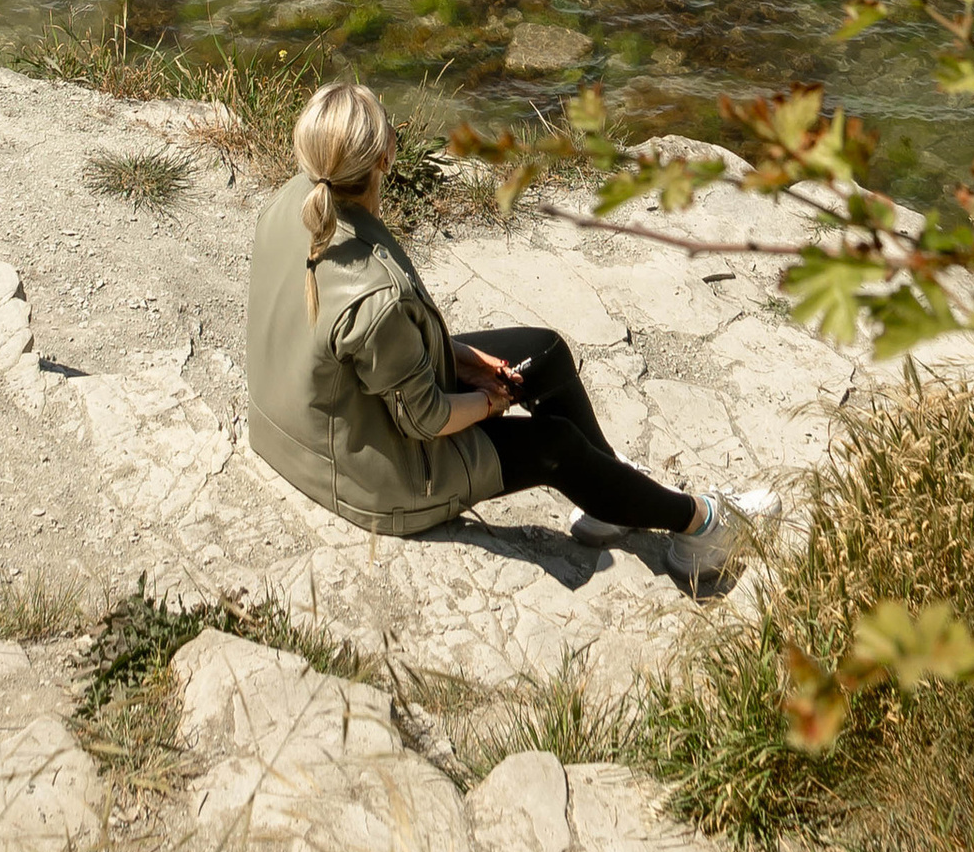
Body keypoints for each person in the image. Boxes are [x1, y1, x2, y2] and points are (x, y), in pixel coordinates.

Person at [245, 79, 735, 583]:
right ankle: (701, 522)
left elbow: (358, 346)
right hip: (375, 480)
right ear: (385, 158)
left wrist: (456, 356)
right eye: (389, 122)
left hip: (304, 424)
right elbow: (426, 419)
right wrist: (489, 402)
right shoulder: (378, 294)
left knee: (544, 352)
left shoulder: (295, 200)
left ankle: (611, 489)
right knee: (558, 447)